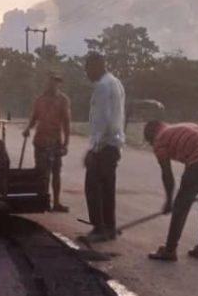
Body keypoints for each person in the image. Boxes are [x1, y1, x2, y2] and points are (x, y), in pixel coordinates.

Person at [144, 120, 198, 262]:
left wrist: (169, 201)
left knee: (181, 206)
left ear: (151, 136)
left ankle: (169, 250)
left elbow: (167, 175)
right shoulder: (182, 127)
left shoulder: (160, 140)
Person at [82, 52, 125, 242]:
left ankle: (99, 228)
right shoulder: (116, 82)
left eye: (87, 67)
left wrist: (94, 149)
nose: (86, 72)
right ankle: (110, 226)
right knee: (108, 188)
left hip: (104, 145)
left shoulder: (102, 86)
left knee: (93, 187)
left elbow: (102, 120)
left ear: (96, 65)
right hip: (114, 145)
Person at [23, 73, 72, 212]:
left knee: (56, 172)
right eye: (52, 81)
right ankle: (42, 200)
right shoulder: (40, 100)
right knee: (42, 173)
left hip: (55, 141)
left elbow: (67, 123)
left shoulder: (63, 100)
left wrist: (66, 144)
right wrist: (28, 128)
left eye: (57, 82)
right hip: (41, 141)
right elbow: (34, 118)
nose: (54, 84)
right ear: (47, 82)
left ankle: (56, 202)